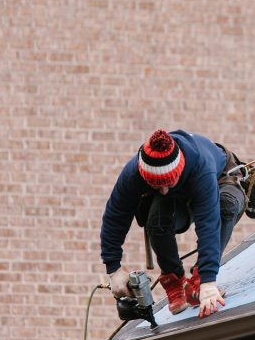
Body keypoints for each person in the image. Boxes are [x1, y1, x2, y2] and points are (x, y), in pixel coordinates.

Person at [100, 129, 246, 318]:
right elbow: (116, 215)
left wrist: (208, 281)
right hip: (181, 194)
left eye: (168, 183)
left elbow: (208, 223)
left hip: (219, 180)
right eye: (156, 185)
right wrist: (114, 269)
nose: (163, 191)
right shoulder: (134, 173)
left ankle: (198, 279)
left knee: (226, 206)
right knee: (156, 221)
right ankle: (174, 280)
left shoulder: (201, 166)